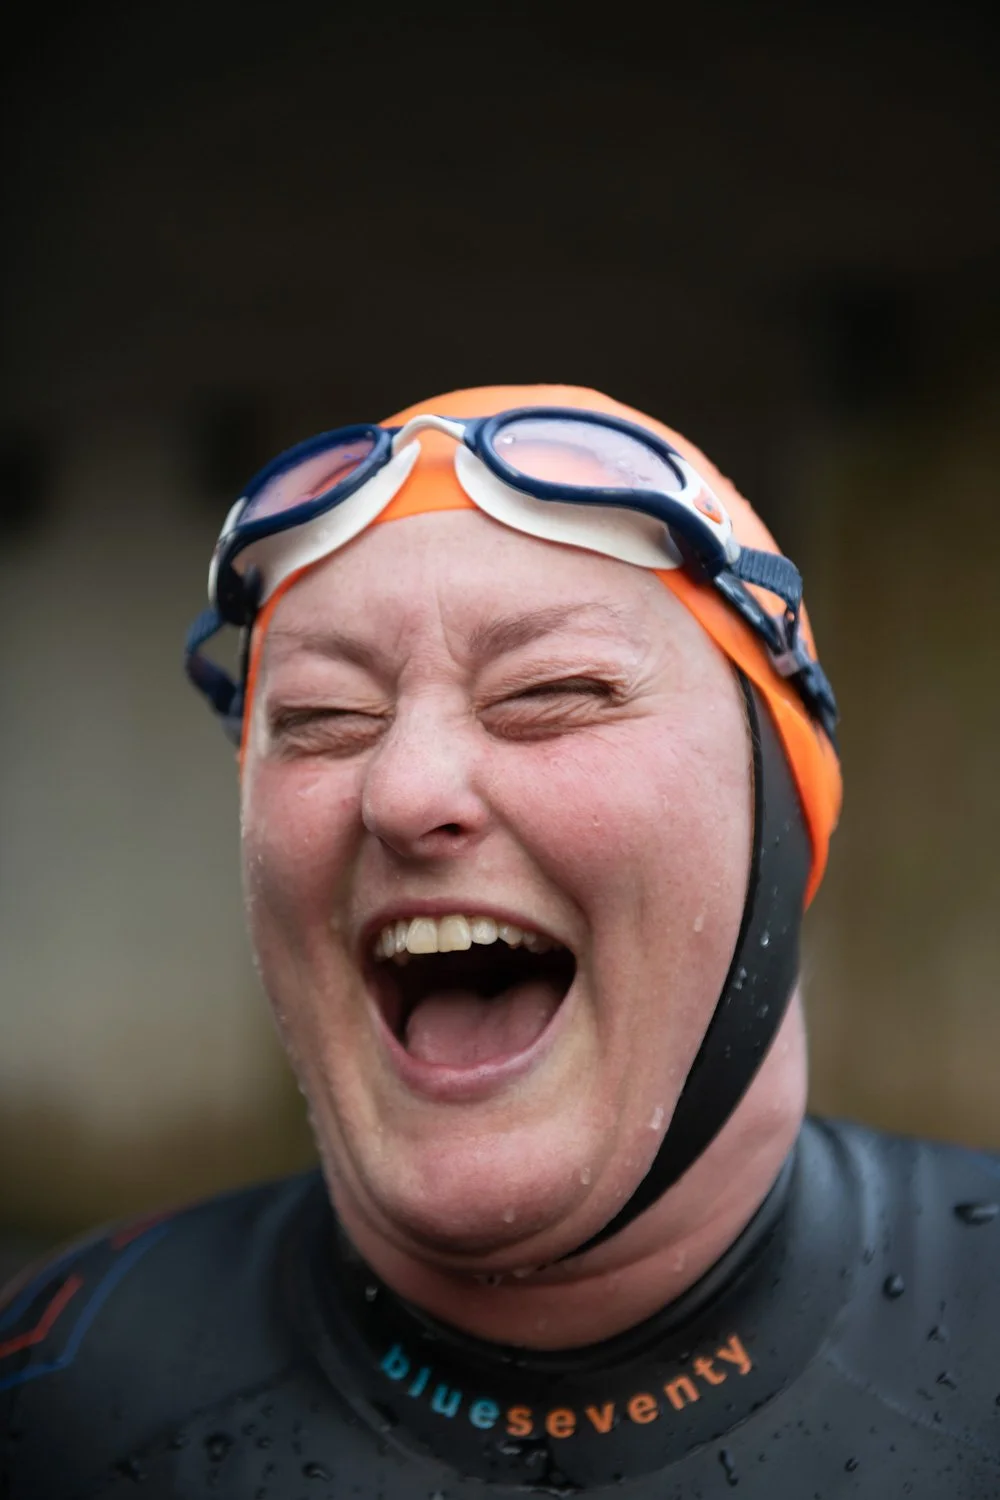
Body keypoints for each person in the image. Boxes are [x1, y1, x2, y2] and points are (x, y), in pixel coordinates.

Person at [2, 385, 999, 1499]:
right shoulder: (61, 1395)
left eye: (553, 693)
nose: (404, 790)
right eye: (324, 718)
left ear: (779, 815)